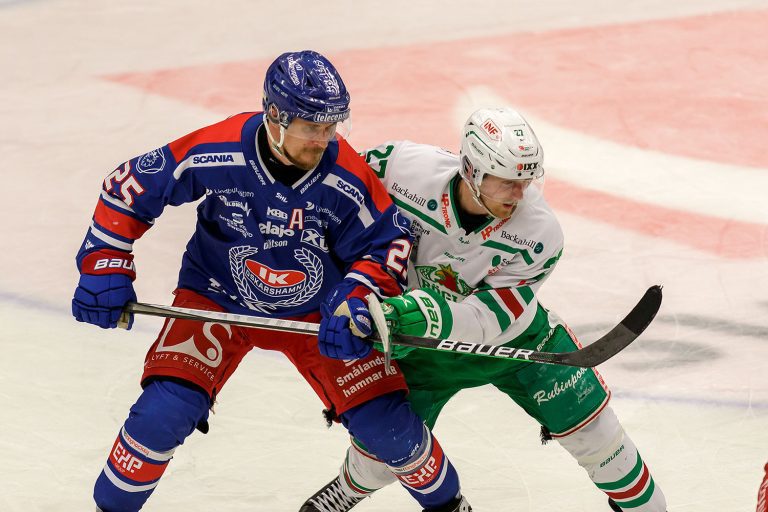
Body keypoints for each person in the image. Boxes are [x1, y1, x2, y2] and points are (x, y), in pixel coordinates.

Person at [72, 50, 471, 512]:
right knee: (162, 415)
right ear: (275, 116)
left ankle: (452, 506)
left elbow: (388, 245)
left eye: (331, 126)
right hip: (217, 296)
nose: (324, 140)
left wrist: (357, 298)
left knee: (389, 429)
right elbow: (128, 189)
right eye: (312, 127)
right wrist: (104, 261)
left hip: (318, 311)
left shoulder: (346, 175)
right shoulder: (219, 147)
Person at [301, 107, 667, 512]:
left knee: (597, 437)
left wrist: (418, 311)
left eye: (526, 181)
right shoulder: (401, 168)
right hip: (416, 346)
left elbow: (487, 318)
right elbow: (340, 192)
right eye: (508, 182)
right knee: (384, 451)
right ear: (472, 171)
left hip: (515, 342)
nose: (519, 194)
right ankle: (348, 488)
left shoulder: (540, 232)